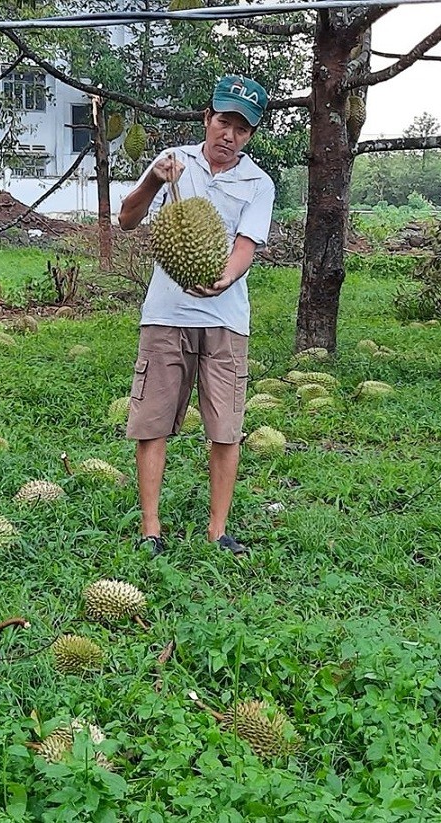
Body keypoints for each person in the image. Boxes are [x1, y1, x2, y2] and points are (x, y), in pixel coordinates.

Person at [117, 74, 276, 558]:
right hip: (165, 315)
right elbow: (126, 220)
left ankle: (218, 529)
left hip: (226, 321)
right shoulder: (173, 162)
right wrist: (153, 179)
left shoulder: (259, 183)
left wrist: (225, 278)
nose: (229, 135)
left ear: (249, 135)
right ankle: (150, 529)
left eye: (241, 129)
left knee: (225, 427)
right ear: (207, 118)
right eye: (223, 121)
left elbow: (245, 246)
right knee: (153, 422)